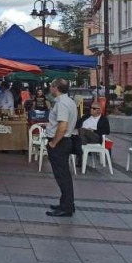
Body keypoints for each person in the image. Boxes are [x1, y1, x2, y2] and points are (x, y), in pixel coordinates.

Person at [45, 78, 79, 217]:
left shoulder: (62, 104)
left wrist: (53, 143)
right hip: (64, 141)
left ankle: (67, 207)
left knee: (62, 175)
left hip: (60, 142)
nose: (50, 88)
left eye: (51, 86)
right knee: (63, 174)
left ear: (55, 88)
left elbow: (62, 126)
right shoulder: (68, 101)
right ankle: (66, 202)